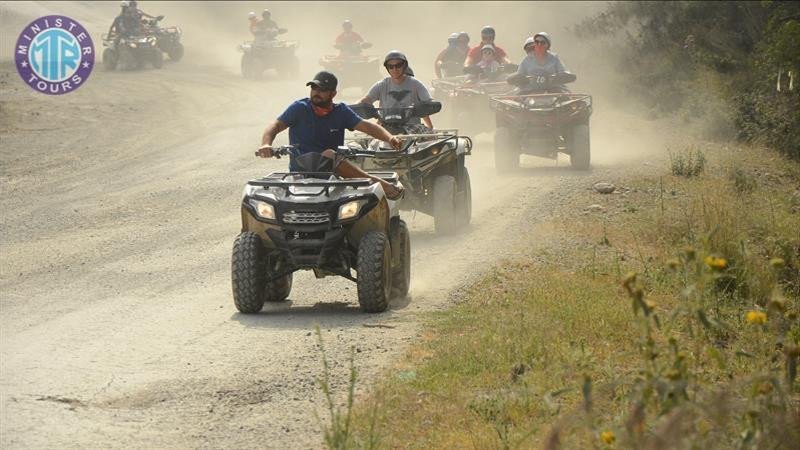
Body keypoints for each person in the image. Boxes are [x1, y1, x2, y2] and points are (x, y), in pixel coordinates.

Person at [257, 71, 405, 199]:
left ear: (333, 93)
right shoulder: (299, 108)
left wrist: (390, 138)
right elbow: (275, 125)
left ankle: (376, 184)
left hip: (331, 177)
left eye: (322, 89)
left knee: (329, 155)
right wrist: (266, 144)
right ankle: (380, 184)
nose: (316, 92)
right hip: (299, 175)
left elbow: (367, 126)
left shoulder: (341, 112)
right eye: (314, 87)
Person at [359, 51, 434, 132]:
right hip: (386, 127)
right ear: (387, 68)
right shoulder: (381, 85)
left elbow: (426, 105)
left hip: (412, 127)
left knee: (432, 139)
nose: (394, 69)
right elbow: (366, 100)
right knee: (369, 141)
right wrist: (356, 106)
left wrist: (431, 125)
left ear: (404, 66)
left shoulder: (416, 84)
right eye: (391, 66)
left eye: (398, 66)